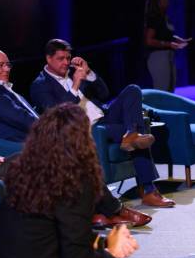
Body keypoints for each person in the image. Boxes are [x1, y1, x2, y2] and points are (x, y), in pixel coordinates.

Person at [0, 49, 152, 227]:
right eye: (0, 65)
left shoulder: (0, 88)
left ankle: (101, 209)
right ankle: (111, 209)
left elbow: (103, 93)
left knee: (132, 102)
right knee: (73, 152)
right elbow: (20, 119)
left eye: (7, 64)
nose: (6, 69)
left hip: (45, 137)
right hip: (17, 147)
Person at [0, 103, 139, 258]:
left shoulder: (22, 167)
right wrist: (112, 254)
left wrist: (106, 242)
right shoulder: (76, 181)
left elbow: (54, 230)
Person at [30, 39, 175, 208]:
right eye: (60, 58)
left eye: (68, 58)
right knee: (139, 134)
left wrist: (89, 72)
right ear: (48, 59)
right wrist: (76, 84)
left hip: (105, 117)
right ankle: (149, 190)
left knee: (133, 90)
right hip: (86, 128)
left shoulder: (74, 71)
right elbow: (59, 115)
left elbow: (104, 93)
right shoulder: (39, 85)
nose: (66, 62)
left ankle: (131, 133)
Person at [144, 0, 189, 92]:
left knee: (170, 90)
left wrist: (178, 40)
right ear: (157, 0)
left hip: (169, 56)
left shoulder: (164, 17)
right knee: (162, 91)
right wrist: (168, 44)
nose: (167, 1)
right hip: (158, 57)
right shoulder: (154, 18)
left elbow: (166, 35)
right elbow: (148, 40)